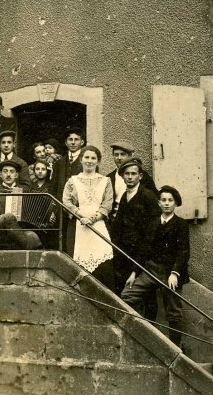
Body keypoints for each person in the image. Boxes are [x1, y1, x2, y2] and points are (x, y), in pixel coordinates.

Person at [121, 186, 190, 348]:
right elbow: (143, 249)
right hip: (150, 270)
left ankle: (175, 348)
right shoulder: (152, 223)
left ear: (176, 203)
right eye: (163, 200)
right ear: (158, 203)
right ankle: (143, 335)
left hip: (170, 273)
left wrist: (175, 273)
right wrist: (134, 272)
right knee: (127, 295)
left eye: (170, 200)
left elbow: (183, 252)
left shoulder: (181, 225)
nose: (166, 204)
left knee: (174, 311)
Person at [63, 145, 115, 291]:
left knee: (103, 266)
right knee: (80, 266)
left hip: (98, 225)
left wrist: (91, 219)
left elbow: (107, 205)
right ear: (81, 160)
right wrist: (80, 214)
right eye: (87, 157)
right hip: (79, 226)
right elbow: (66, 202)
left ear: (98, 161)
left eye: (93, 158)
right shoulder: (73, 181)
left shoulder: (106, 181)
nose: (90, 161)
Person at [111, 157, 160, 295]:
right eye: (127, 174)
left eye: (133, 174)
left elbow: (153, 227)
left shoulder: (148, 196)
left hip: (143, 252)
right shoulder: (124, 197)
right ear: (122, 176)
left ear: (140, 176)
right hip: (125, 251)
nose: (130, 177)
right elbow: (118, 225)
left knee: (145, 293)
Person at [0, 159, 42, 250]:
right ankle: (29, 246)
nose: (8, 174)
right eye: (5, 171)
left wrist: (49, 215)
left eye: (12, 172)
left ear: (16, 175)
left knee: (32, 236)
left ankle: (26, 245)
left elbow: (38, 209)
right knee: (8, 217)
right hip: (0, 232)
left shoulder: (24, 192)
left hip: (20, 230)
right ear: (0, 175)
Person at [107, 140, 157, 222]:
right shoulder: (109, 177)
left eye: (122, 154)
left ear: (130, 156)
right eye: (116, 155)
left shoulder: (142, 176)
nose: (119, 158)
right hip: (115, 221)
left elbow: (152, 200)